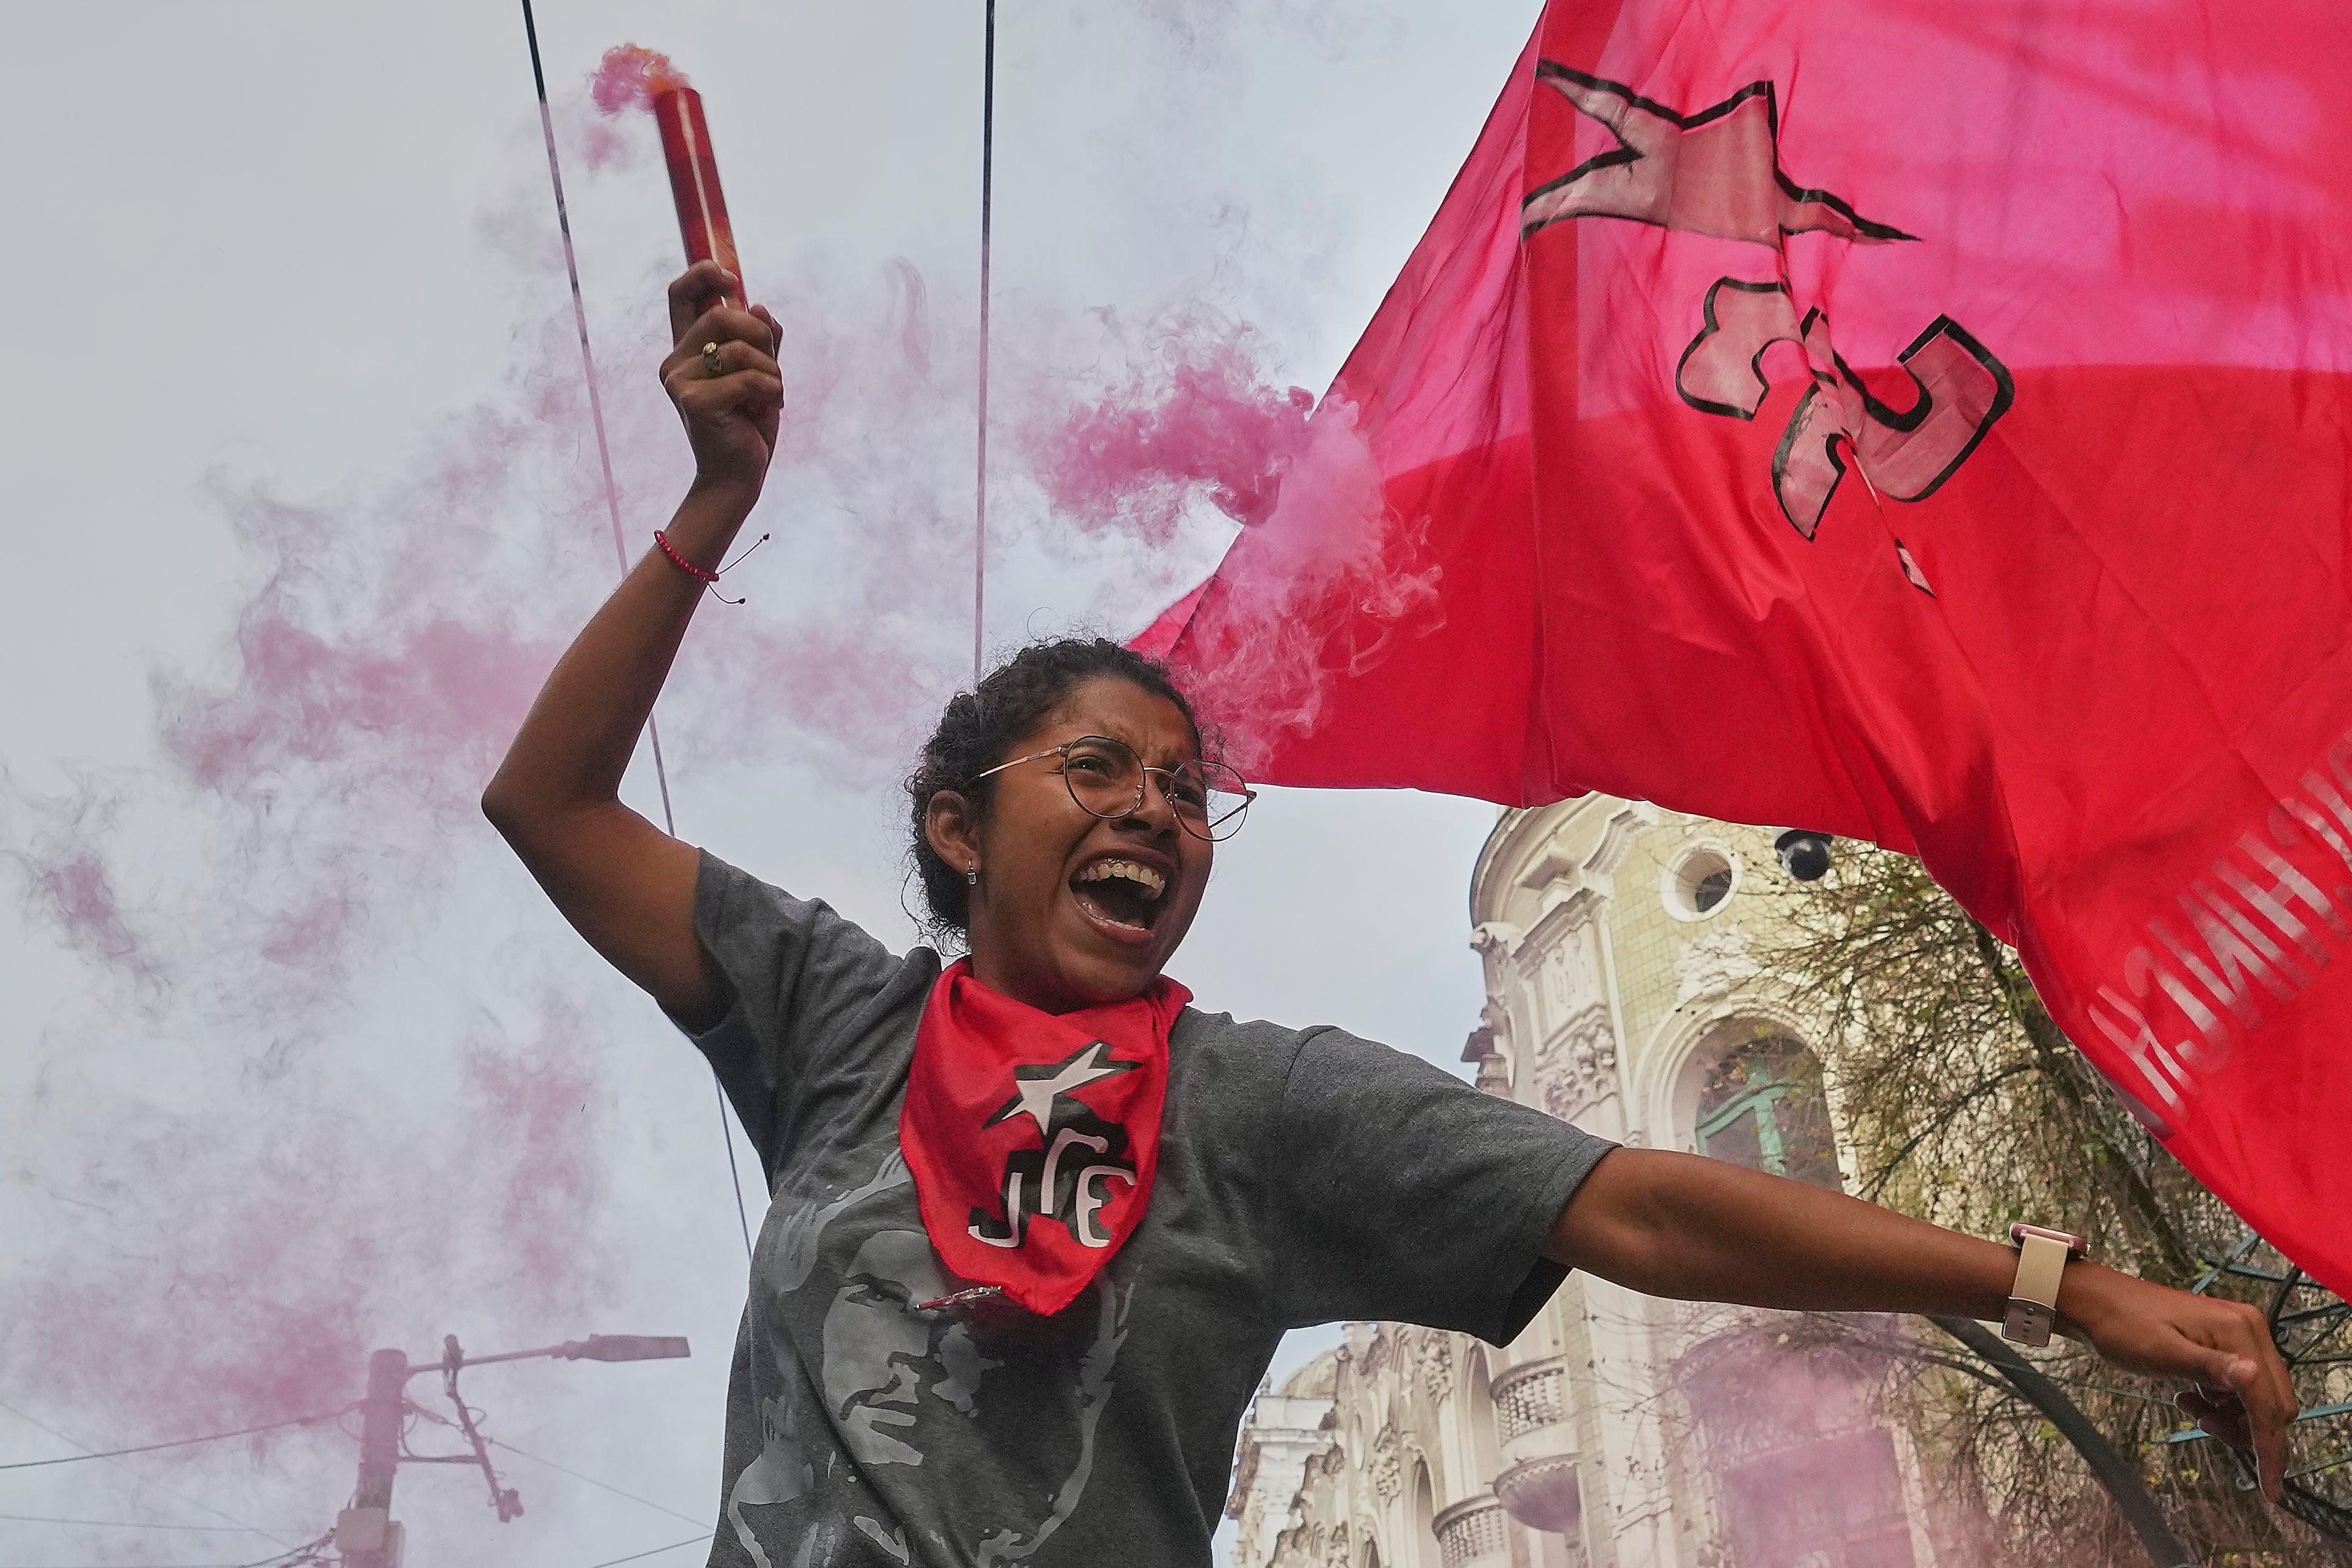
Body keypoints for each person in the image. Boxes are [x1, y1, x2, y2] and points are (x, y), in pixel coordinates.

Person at [483, 261, 2297, 1568]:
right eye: (1098, 769)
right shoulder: (834, 1018)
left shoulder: (1258, 1112)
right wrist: (717, 502)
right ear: (959, 828)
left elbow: (1644, 1201)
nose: (1154, 812)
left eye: (1187, 790)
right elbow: (547, 804)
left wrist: (2061, 1285)